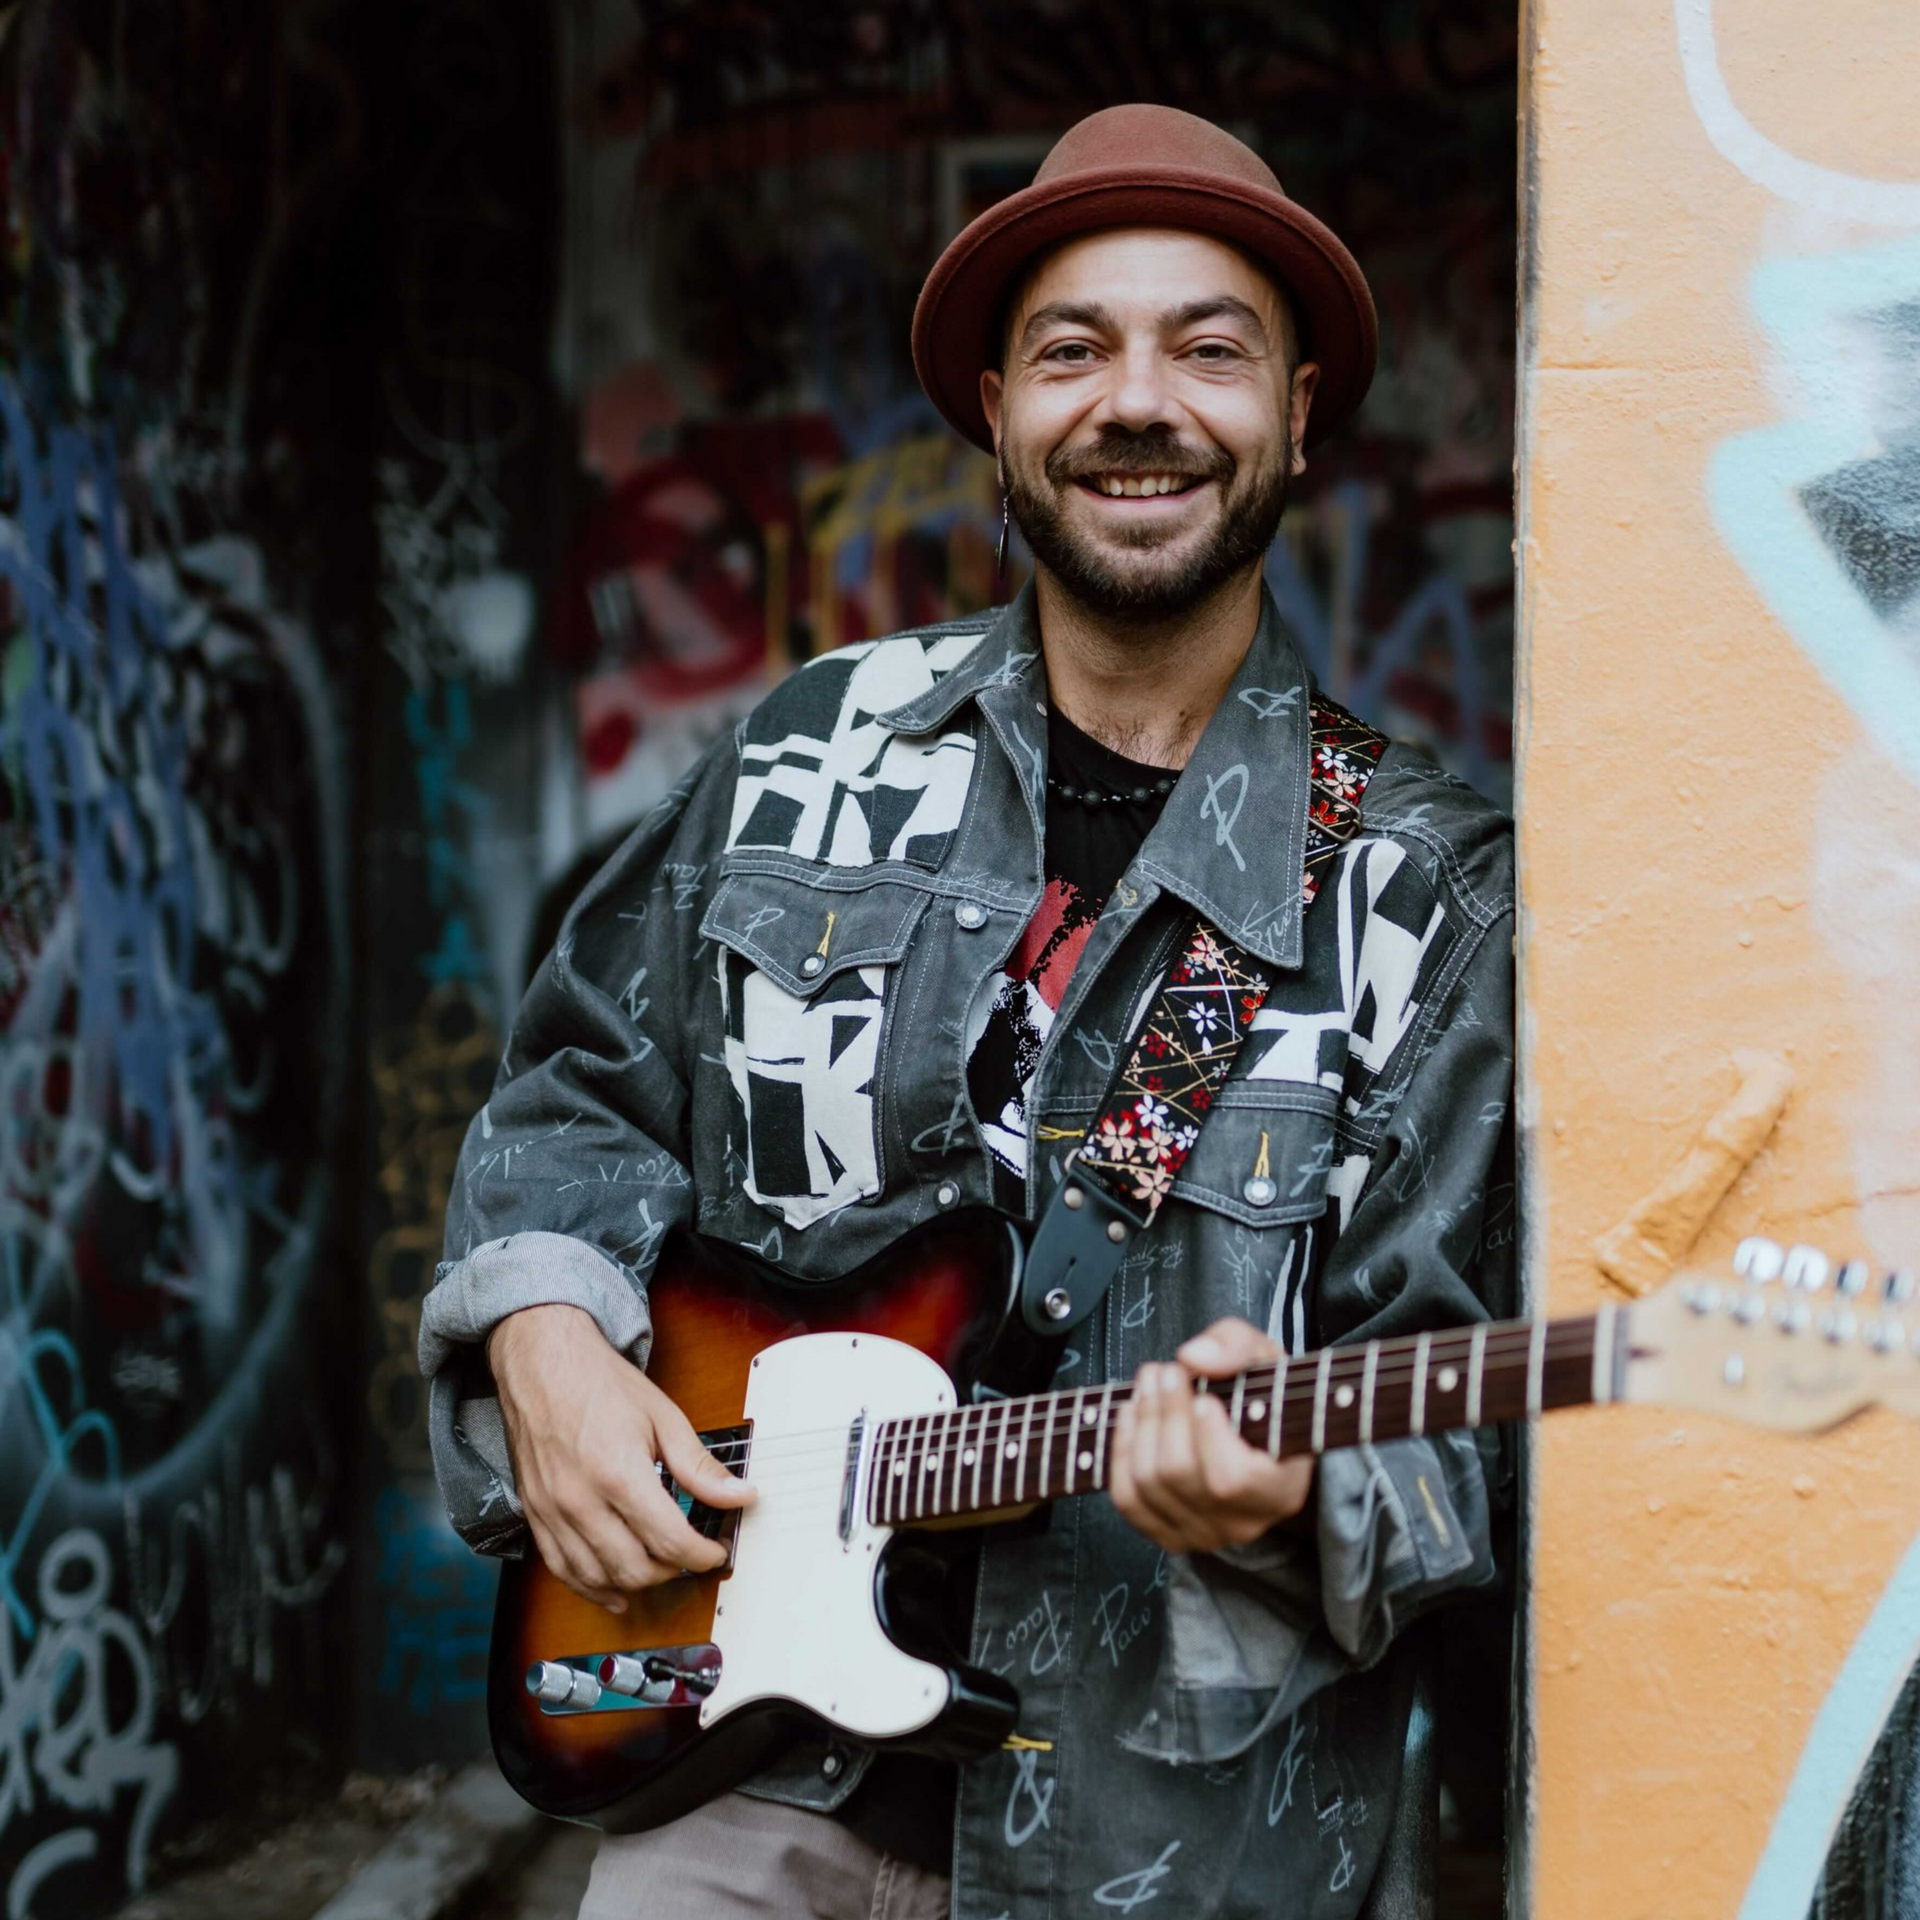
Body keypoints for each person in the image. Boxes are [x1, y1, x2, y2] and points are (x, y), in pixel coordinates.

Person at [420, 103, 1516, 1920]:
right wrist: (542, 1338)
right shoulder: (807, 749)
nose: (1138, 402)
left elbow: (1467, 1454)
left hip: (1180, 1844)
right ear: (999, 411)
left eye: (1211, 348)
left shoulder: (1431, 895)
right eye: (1073, 350)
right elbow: (577, 1102)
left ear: (1300, 414)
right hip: (740, 1780)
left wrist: (1298, 1490)